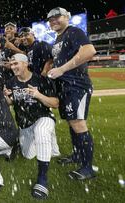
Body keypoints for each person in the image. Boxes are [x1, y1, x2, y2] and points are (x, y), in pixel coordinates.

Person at [46, 7, 97, 180]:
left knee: (78, 123)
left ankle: (88, 168)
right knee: (71, 122)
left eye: (57, 17)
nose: (53, 21)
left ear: (67, 17)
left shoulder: (74, 31)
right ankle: (77, 155)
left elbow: (89, 51)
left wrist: (61, 69)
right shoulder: (58, 37)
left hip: (77, 86)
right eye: (50, 19)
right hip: (66, 87)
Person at [4, 53, 60, 199]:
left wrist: (38, 95)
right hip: (25, 125)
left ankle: (42, 179)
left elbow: (55, 103)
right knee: (28, 155)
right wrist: (7, 98)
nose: (13, 66)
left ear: (26, 63)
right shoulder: (10, 82)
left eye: (16, 63)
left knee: (41, 130)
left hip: (43, 117)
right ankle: (45, 139)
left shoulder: (40, 80)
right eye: (11, 64)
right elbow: (11, 102)